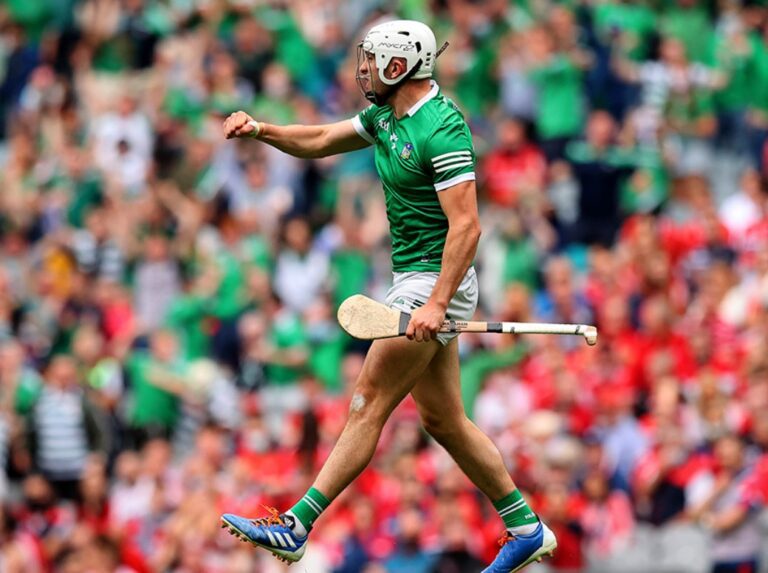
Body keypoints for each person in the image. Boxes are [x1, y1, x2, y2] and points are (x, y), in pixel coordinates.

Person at [220, 19, 557, 573]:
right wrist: (262, 129)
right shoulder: (386, 115)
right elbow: (324, 139)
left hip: (433, 279)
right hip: (414, 280)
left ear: (398, 67)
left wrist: (436, 303)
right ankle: (525, 526)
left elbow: (467, 228)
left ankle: (296, 526)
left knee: (367, 400)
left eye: (372, 61)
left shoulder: (442, 129)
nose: (363, 70)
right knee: (444, 421)